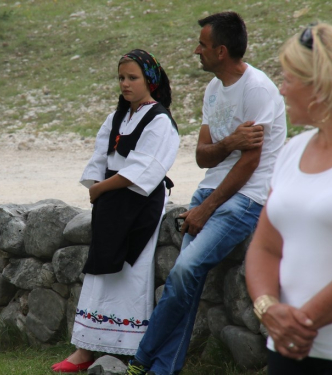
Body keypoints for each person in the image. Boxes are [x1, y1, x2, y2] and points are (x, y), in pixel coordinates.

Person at [125, 12, 287, 375]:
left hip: (245, 199)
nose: (195, 50)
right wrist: (229, 142)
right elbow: (201, 156)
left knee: (184, 271)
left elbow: (249, 165)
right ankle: (164, 369)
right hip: (210, 191)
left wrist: (205, 210)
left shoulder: (257, 89)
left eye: (202, 44)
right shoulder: (213, 89)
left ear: (222, 51)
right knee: (186, 280)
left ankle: (141, 358)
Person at [51, 49, 180, 373]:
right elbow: (100, 158)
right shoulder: (117, 118)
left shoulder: (160, 121)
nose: (125, 84)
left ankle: (126, 347)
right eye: (121, 78)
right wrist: (99, 189)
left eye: (132, 77)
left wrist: (101, 189)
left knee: (130, 271)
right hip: (111, 203)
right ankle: (85, 349)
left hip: (139, 204)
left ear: (149, 79)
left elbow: (145, 170)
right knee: (100, 269)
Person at [245, 23, 332, 375]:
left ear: (319, 86)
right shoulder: (291, 151)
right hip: (287, 350)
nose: (280, 90)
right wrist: (269, 310)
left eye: (288, 80)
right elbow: (265, 246)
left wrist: (300, 322)